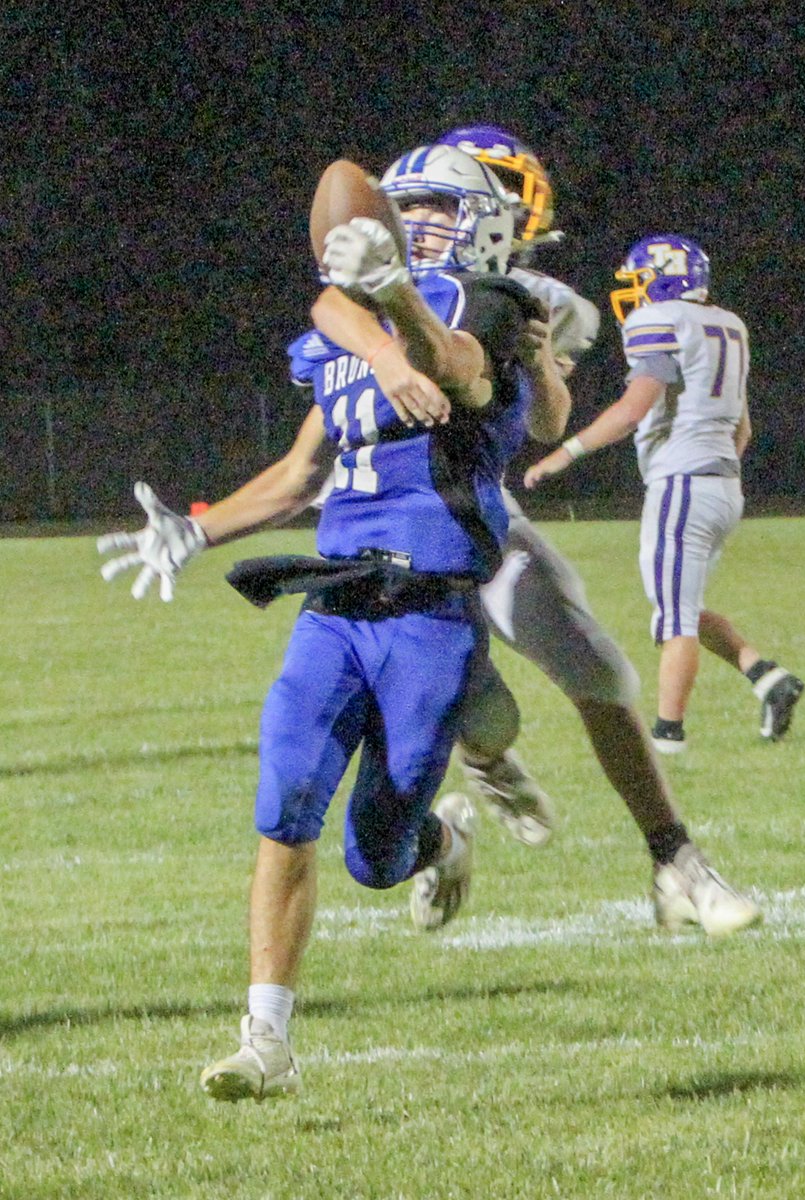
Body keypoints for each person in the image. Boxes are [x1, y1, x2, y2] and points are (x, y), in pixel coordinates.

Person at [99, 144, 545, 1102]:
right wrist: (199, 528)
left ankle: (440, 839)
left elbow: (462, 375)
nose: (410, 224)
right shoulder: (351, 325)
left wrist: (399, 316)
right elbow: (305, 469)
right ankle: (266, 1039)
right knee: (285, 801)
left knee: (374, 855)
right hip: (336, 601)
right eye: (404, 207)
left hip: (429, 613)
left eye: (432, 209)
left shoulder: (495, 303)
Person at [426, 129, 762, 937]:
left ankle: (675, 859)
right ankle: (445, 821)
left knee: (600, 673)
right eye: (425, 205)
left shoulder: (550, 304)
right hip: (388, 528)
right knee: (460, 715)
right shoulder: (381, 288)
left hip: (480, 514)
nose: (433, 221)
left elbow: (537, 419)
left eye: (452, 202)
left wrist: (526, 359)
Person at [525, 232, 803, 752]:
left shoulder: (660, 321)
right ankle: (768, 677)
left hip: (684, 482)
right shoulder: (729, 325)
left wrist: (565, 453)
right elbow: (742, 429)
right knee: (679, 606)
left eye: (640, 281)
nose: (635, 294)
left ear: (665, 278)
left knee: (674, 618)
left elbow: (633, 410)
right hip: (723, 484)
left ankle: (668, 736)